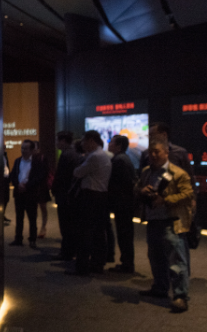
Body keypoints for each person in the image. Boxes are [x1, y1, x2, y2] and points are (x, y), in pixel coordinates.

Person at [136, 140, 193, 312]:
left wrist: (165, 200)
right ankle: (160, 288)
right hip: (153, 219)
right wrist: (142, 191)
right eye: (150, 152)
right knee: (155, 257)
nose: (153, 155)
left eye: (157, 152)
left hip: (171, 220)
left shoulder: (178, 173)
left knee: (176, 260)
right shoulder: (147, 171)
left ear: (166, 153)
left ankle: (180, 296)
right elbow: (138, 187)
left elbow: (188, 193)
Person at [66, 130, 111, 276]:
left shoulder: (94, 156)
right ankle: (97, 264)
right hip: (100, 196)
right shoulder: (104, 155)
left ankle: (82, 266)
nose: (82, 144)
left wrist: (79, 166)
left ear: (91, 141)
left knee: (85, 233)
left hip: (90, 197)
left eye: (84, 141)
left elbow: (77, 172)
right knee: (98, 233)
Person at [107, 135, 137, 273]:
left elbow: (119, 183)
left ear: (119, 146)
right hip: (126, 202)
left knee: (124, 234)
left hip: (122, 203)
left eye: (112, 142)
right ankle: (127, 262)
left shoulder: (119, 160)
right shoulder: (124, 158)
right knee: (125, 233)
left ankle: (127, 263)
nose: (109, 144)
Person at [51, 131, 83, 261]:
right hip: (71, 195)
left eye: (57, 140)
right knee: (71, 225)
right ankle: (71, 250)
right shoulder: (75, 153)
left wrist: (54, 189)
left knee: (65, 225)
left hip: (64, 195)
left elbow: (61, 176)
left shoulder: (66, 154)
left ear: (63, 141)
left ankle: (66, 252)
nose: (56, 143)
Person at [10, 139, 47, 248]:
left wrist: (27, 185)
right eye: (22, 148)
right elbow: (13, 175)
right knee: (19, 217)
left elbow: (40, 177)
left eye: (26, 148)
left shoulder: (36, 162)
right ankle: (18, 238)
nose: (23, 150)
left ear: (31, 150)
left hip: (31, 193)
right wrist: (17, 184)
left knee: (32, 218)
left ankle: (32, 239)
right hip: (19, 193)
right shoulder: (17, 161)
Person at [33, 141, 51, 238]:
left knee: (43, 207)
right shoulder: (28, 158)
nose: (34, 150)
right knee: (33, 208)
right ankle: (34, 227)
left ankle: (43, 227)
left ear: (39, 148)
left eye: (35, 147)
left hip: (41, 186)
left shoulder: (43, 158)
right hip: (32, 186)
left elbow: (45, 172)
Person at [3, 147, 11, 224]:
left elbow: (7, 166)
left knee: (6, 199)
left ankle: (2, 215)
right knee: (2, 199)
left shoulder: (5, 156)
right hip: (0, 181)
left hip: (6, 180)